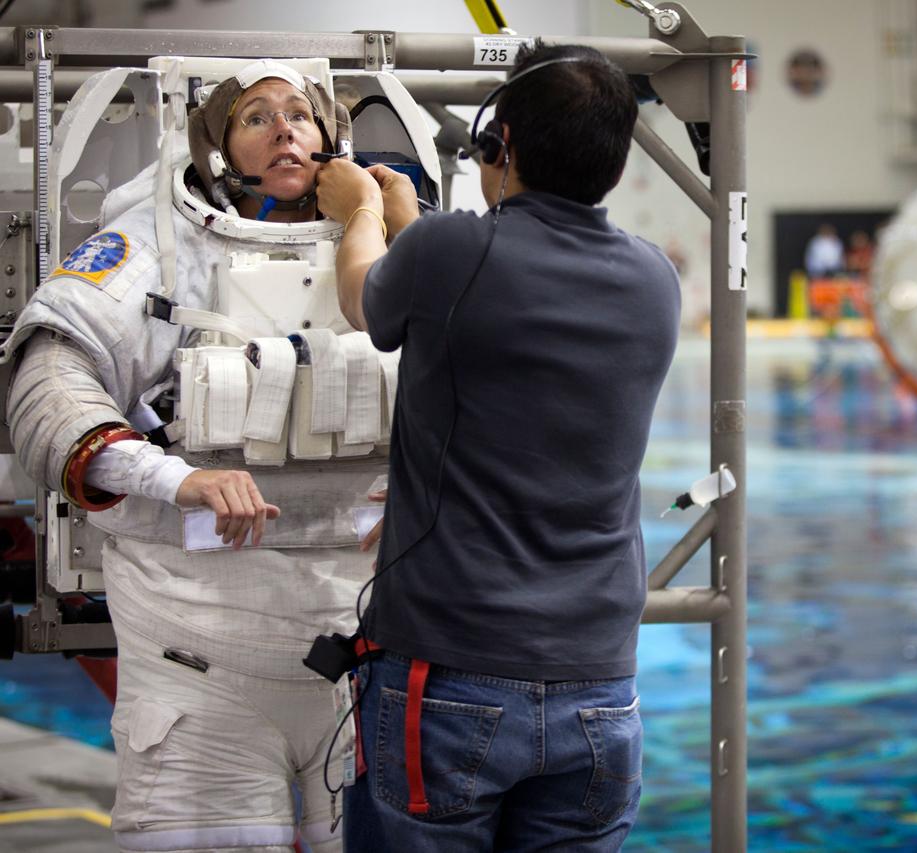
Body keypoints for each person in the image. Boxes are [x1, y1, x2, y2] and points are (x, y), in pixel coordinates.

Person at [5, 60, 383, 852]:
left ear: (330, 137)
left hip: (358, 660)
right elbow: (48, 390)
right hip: (200, 665)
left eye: (301, 116)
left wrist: (387, 215)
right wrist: (176, 478)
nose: (285, 128)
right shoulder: (159, 245)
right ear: (216, 150)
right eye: (257, 117)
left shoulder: (381, 253)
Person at [313, 40, 680, 851]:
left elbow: (365, 301)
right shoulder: (656, 280)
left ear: (499, 142)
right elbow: (481, 277)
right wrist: (413, 222)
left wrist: (363, 212)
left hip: (451, 678)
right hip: (600, 691)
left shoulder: (451, 254)